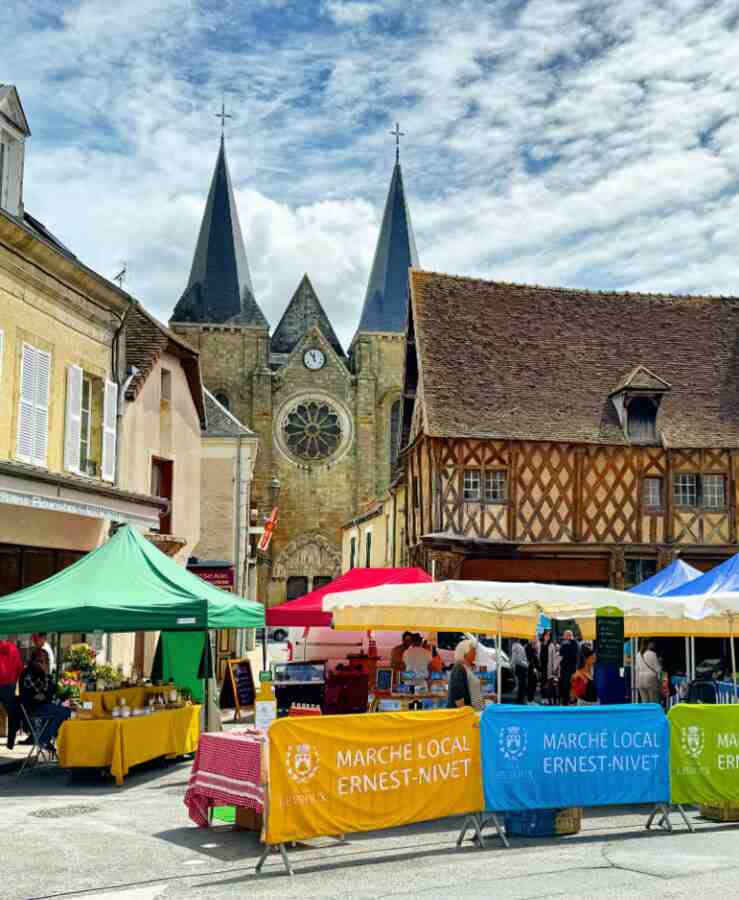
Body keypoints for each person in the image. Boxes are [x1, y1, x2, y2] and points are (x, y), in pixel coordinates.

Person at [19, 649, 70, 746]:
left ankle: (48, 738)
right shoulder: (29, 673)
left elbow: (50, 692)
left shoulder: (41, 674)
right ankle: (44, 739)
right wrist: (46, 693)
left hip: (42, 706)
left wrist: (49, 693)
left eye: (46, 661)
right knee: (64, 711)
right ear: (33, 661)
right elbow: (44, 694)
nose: (43, 664)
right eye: (40, 661)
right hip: (33, 708)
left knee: (66, 710)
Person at [447, 638, 490, 709]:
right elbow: (457, 694)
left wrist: (487, 696)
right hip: (466, 714)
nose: (475, 653)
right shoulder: (459, 667)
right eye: (473, 650)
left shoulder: (465, 667)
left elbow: (471, 692)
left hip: (473, 711)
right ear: (466, 652)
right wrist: (466, 714)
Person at [0, 638, 23, 750]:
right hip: (10, 683)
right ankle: (10, 742)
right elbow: (19, 666)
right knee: (11, 713)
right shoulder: (13, 647)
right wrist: (15, 680)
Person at [636, 638, 662, 703]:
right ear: (649, 644)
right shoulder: (652, 654)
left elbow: (637, 669)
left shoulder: (638, 655)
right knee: (653, 701)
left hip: (640, 680)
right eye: (653, 643)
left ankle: (645, 713)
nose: (653, 645)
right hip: (651, 680)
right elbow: (658, 669)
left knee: (644, 702)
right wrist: (660, 662)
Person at [558, 630, 579, 706]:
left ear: (568, 636)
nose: (563, 637)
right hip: (570, 668)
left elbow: (561, 656)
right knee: (570, 684)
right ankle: (572, 700)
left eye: (564, 635)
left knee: (567, 685)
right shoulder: (575, 643)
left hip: (567, 668)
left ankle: (567, 701)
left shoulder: (567, 644)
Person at [510, 638, 529, 705]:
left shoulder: (515, 647)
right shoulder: (519, 647)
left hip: (519, 668)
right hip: (521, 668)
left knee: (520, 685)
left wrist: (511, 665)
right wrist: (526, 664)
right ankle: (520, 700)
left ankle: (519, 700)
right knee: (522, 685)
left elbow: (515, 658)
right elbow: (518, 660)